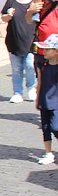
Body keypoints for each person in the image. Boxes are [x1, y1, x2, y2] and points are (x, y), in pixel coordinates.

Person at [1, 0, 36, 103]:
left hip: (31, 39)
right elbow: (3, 17)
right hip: (14, 39)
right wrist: (8, 15)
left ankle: (31, 87)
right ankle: (17, 92)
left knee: (30, 65)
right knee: (16, 69)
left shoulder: (35, 0)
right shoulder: (11, 0)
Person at [33, 34, 58, 165]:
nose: (44, 51)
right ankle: (48, 153)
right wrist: (37, 99)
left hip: (56, 102)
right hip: (44, 100)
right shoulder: (42, 65)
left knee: (56, 127)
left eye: (48, 49)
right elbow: (40, 82)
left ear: (56, 51)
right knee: (46, 128)